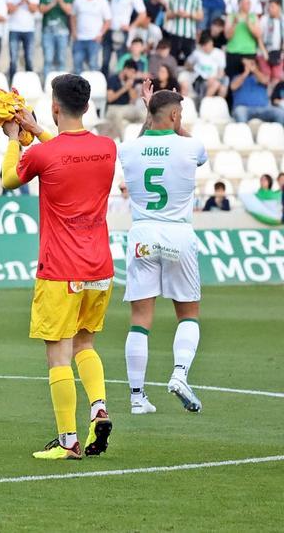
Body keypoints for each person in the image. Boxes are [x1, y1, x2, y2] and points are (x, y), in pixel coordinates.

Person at [0, 74, 117, 461]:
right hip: (100, 267)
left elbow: (8, 179)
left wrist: (17, 136)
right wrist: (39, 129)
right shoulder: (107, 148)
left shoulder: (42, 153)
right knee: (86, 342)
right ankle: (98, 406)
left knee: (58, 354)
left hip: (60, 269)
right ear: (86, 106)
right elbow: (70, 152)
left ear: (54, 107)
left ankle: (68, 440)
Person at [119, 88, 207, 415]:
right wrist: (172, 123)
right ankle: (179, 373)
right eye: (179, 114)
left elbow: (147, 138)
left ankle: (137, 397)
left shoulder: (128, 148)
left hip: (143, 234)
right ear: (174, 115)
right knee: (188, 314)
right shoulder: (190, 145)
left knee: (140, 320)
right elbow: (189, 144)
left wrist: (150, 113)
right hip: (177, 235)